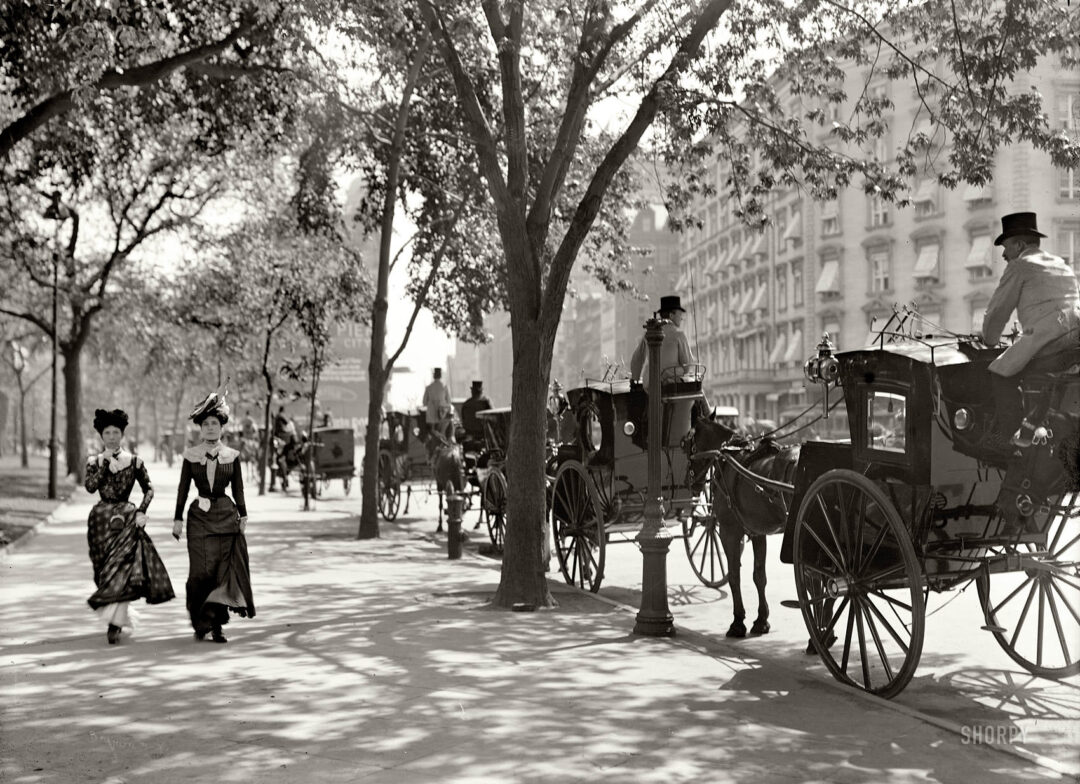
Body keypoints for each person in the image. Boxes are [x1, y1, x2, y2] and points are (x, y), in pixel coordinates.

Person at [981, 212, 1080, 448]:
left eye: (1006, 248)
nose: (1004, 255)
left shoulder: (1020, 266)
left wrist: (989, 339)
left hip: (1049, 344)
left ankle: (1013, 441)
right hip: (1074, 342)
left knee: (998, 372)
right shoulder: (1060, 264)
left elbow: (997, 313)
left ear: (1020, 245)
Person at [85, 408, 174, 644]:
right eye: (107, 432)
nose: (112, 436)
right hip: (99, 521)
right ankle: (117, 612)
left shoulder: (134, 461)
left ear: (122, 434)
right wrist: (105, 465)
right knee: (101, 570)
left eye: (116, 432)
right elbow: (91, 487)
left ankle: (115, 623)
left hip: (126, 518)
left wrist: (142, 510)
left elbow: (149, 488)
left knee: (122, 568)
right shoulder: (94, 461)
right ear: (101, 435)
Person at [172, 391, 255, 643]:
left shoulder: (233, 456)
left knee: (221, 572)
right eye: (206, 424)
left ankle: (217, 624)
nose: (210, 428)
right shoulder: (191, 455)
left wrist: (243, 514)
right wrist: (178, 519)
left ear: (222, 427)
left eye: (214, 424)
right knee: (200, 571)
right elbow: (183, 488)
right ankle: (200, 621)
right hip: (198, 519)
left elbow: (238, 489)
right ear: (200, 427)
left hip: (225, 517)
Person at [627, 295, 696, 448]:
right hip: (670, 386)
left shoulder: (648, 334)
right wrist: (681, 371)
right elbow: (688, 364)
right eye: (679, 315)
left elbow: (636, 360)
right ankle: (705, 421)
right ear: (671, 315)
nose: (681, 318)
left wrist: (635, 378)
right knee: (697, 390)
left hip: (649, 386)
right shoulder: (678, 334)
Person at [460, 380, 492, 451]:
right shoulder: (486, 402)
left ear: (472, 391)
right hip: (483, 437)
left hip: (469, 436)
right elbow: (494, 418)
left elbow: (463, 422)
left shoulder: (466, 404)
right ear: (481, 391)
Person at [422, 367, 453, 440]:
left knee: (432, 433)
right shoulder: (444, 387)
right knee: (444, 430)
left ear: (434, 376)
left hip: (431, 417)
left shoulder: (429, 387)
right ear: (440, 376)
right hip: (442, 415)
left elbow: (424, 402)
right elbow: (449, 402)